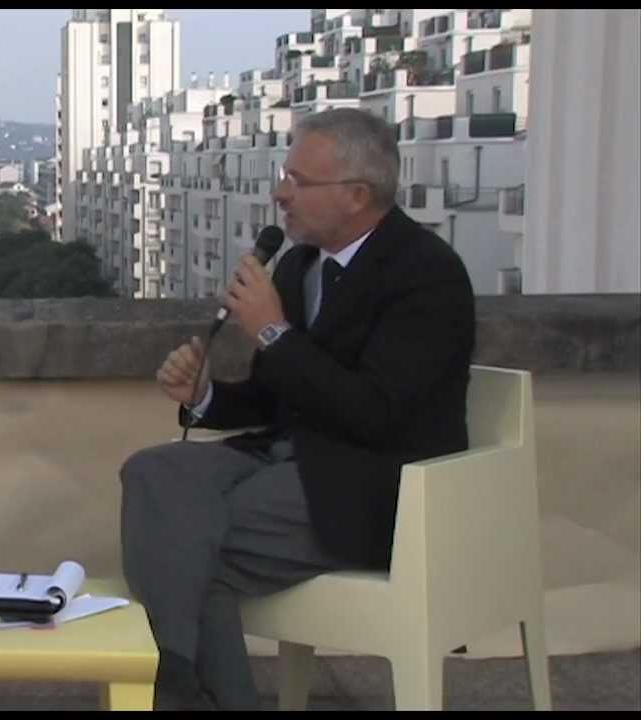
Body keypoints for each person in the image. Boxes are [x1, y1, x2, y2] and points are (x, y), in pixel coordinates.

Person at [119, 108, 476, 710]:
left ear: (357, 194)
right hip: (282, 460)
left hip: (367, 483)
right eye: (284, 175)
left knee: (189, 541)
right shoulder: (300, 263)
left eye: (299, 181)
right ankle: (181, 675)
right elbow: (273, 396)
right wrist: (204, 394)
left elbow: (376, 413)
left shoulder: (427, 275)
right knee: (152, 474)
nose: (282, 194)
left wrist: (275, 332)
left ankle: (177, 680)